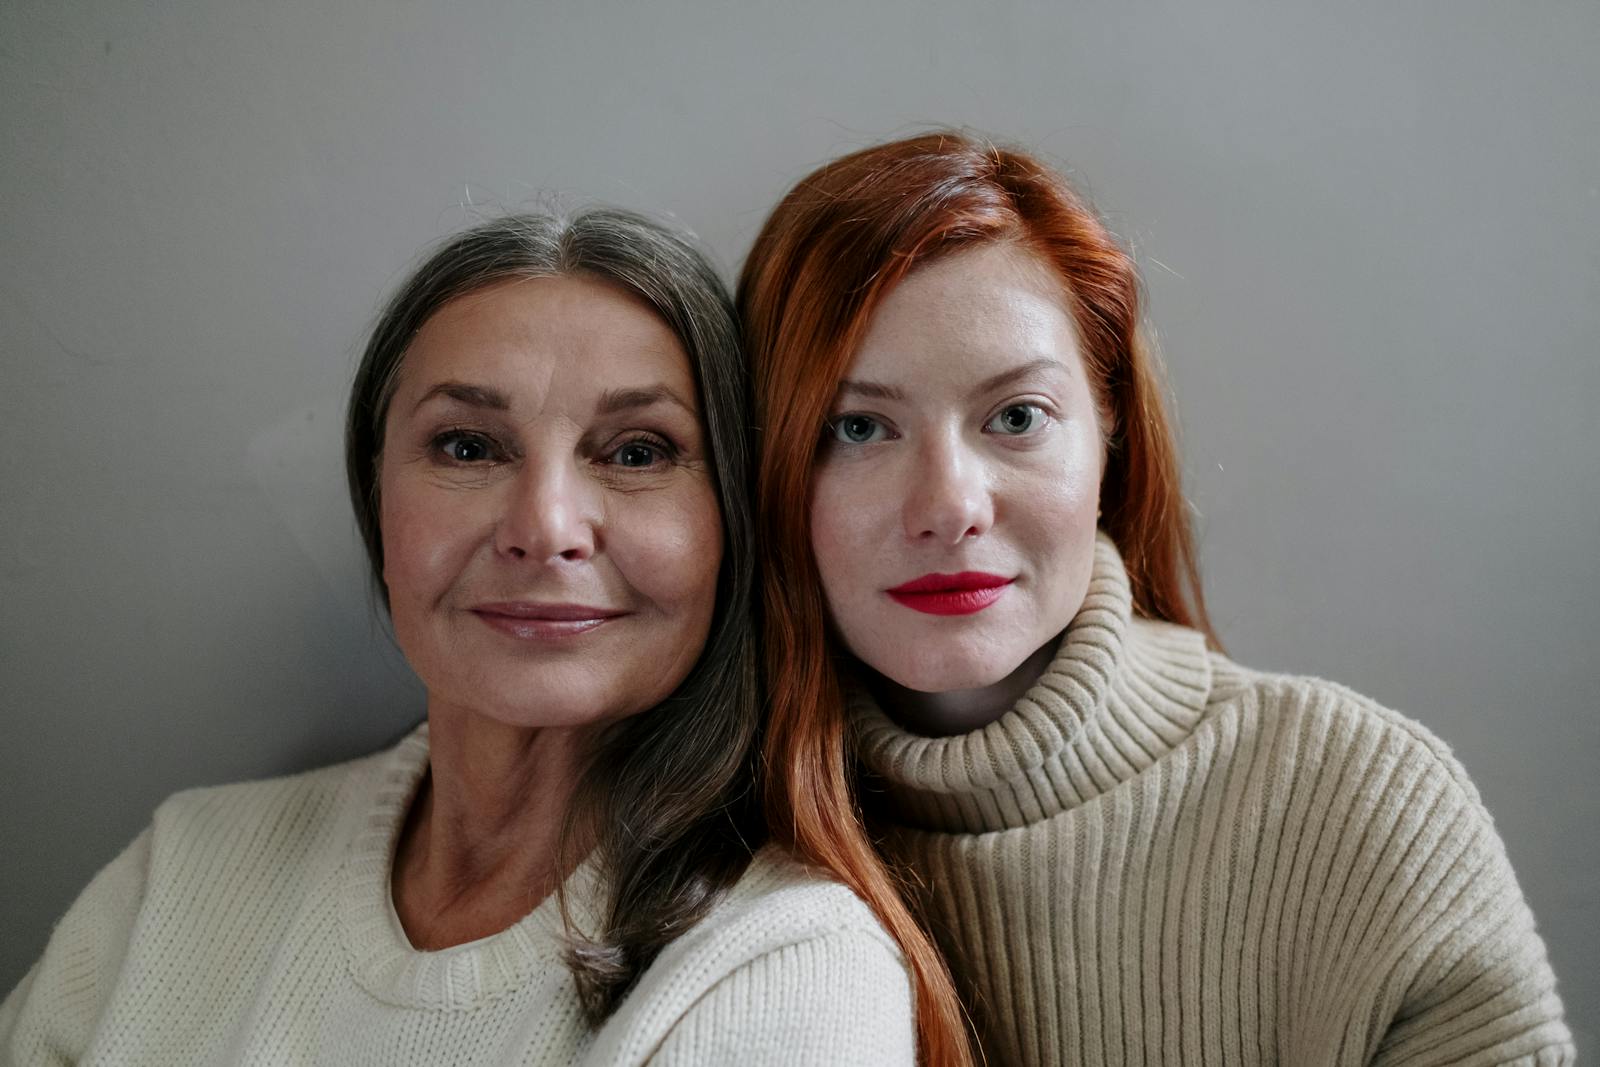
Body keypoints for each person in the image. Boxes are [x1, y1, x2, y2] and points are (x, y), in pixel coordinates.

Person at [0, 208, 917, 1065]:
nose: (544, 525)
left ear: (733, 522)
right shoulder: (189, 866)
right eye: (468, 448)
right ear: (377, 499)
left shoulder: (789, 965)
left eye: (637, 451)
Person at [739, 131, 1574, 1066]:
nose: (949, 507)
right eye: (858, 427)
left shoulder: (1365, 809)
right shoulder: (704, 844)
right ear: (763, 462)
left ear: (1111, 431)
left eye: (1016, 416)